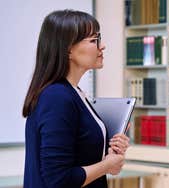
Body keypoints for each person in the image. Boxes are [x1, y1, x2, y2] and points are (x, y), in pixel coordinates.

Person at [22, 10, 129, 188]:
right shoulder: (57, 97)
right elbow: (59, 180)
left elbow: (81, 160)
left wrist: (111, 156)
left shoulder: (73, 93)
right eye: (94, 40)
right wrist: (107, 165)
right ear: (68, 49)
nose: (102, 46)